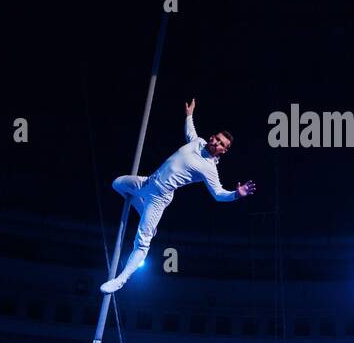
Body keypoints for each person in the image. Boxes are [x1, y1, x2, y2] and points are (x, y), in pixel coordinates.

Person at [101, 98, 255, 294]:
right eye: (216, 138)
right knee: (117, 184)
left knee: (142, 241)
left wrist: (236, 194)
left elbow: (218, 194)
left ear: (223, 151)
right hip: (147, 182)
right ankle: (141, 210)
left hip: (159, 199)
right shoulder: (198, 143)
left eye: (220, 143)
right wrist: (189, 115)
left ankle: (120, 280)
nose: (215, 142)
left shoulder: (209, 169)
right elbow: (190, 132)